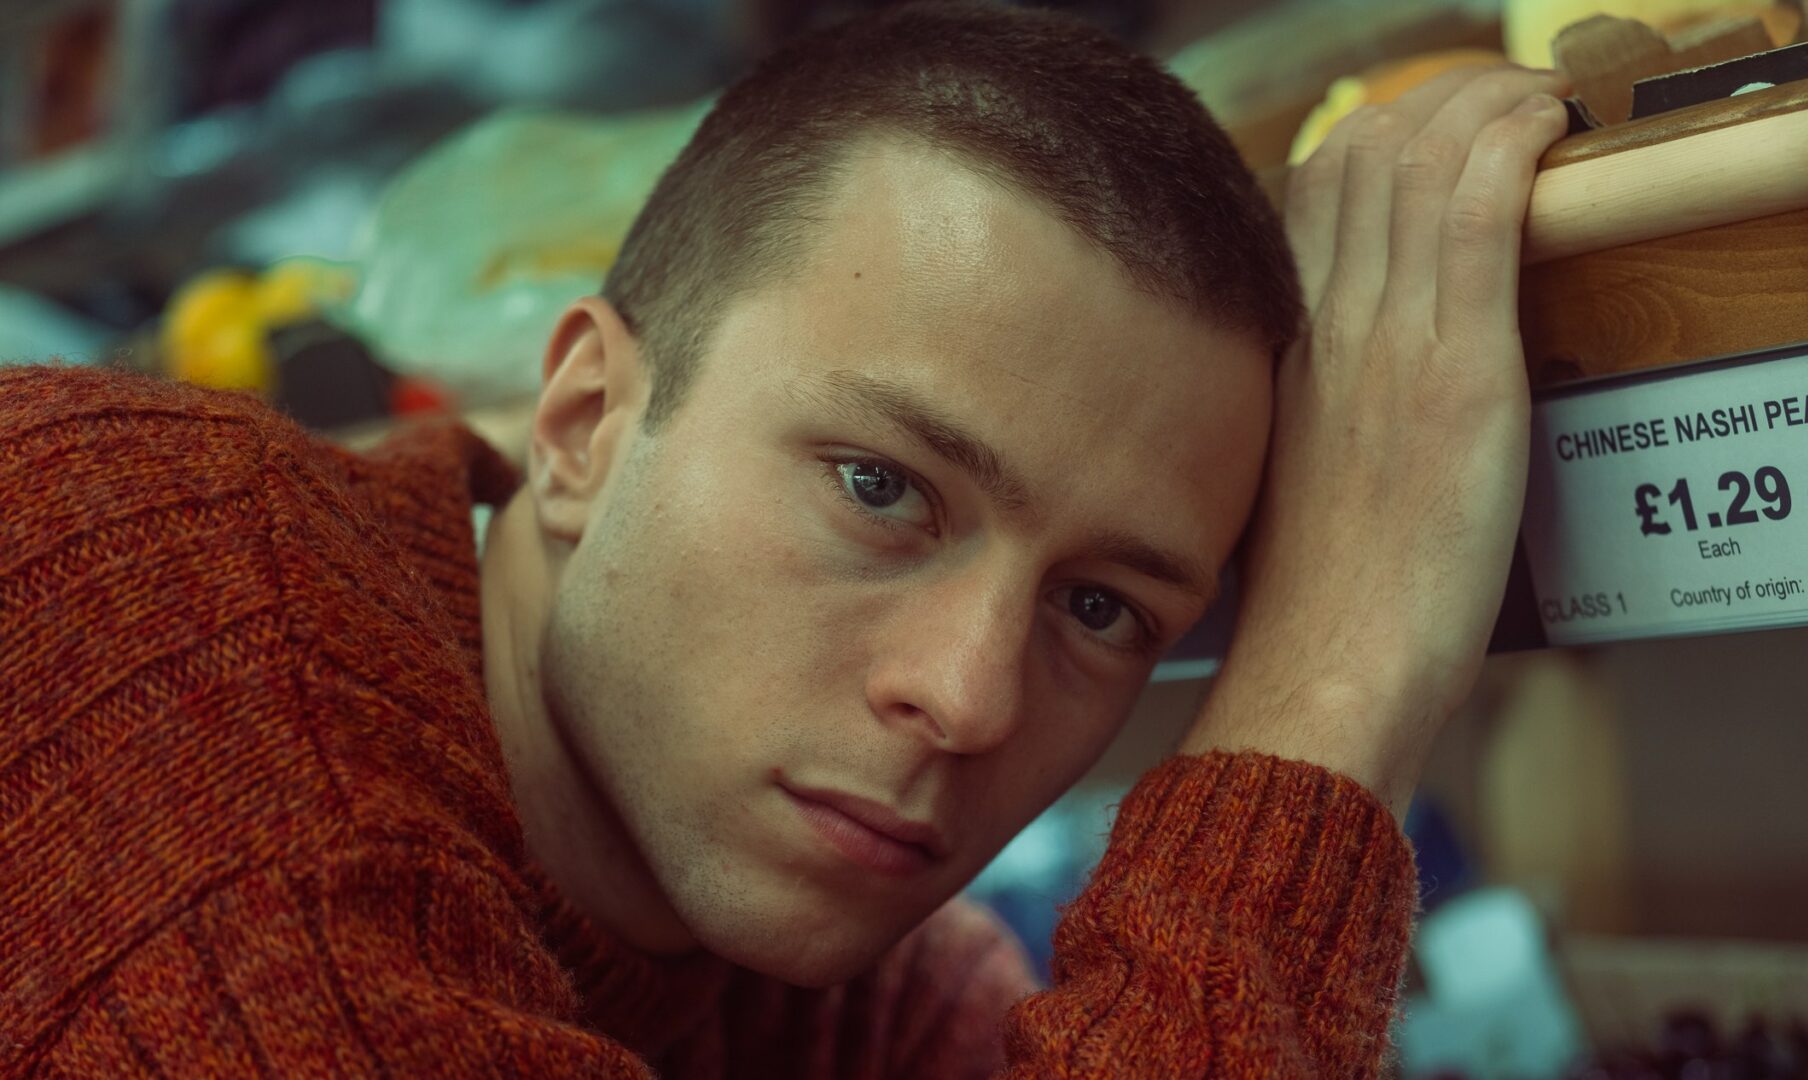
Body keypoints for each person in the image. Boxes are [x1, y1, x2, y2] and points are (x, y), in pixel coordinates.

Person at [0, 3, 1568, 1076]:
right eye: (883, 490)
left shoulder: (833, 977)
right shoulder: (146, 588)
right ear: (582, 424)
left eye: (1099, 607)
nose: (969, 702)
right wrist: (1335, 691)